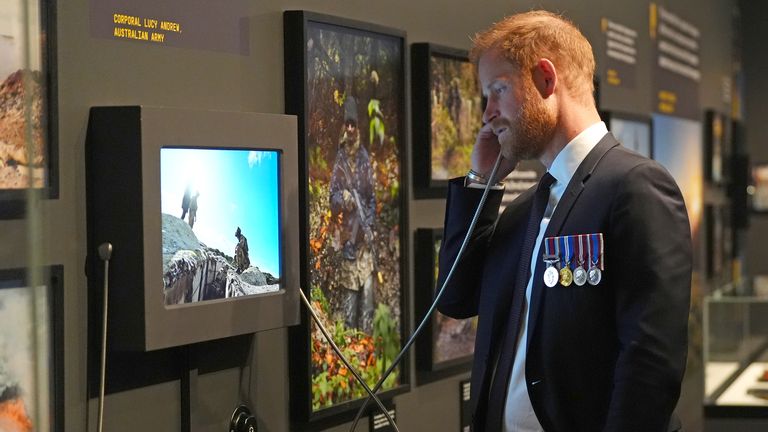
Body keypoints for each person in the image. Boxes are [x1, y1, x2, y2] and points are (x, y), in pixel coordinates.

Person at [436, 11, 691, 432]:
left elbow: (649, 360)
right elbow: (456, 299)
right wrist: (481, 182)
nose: (488, 114)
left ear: (545, 80)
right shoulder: (524, 213)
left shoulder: (634, 186)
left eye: (498, 90)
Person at [329, 96, 377, 334]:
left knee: (368, 304)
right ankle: (350, 350)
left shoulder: (364, 159)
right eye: (346, 124)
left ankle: (367, 349)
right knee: (349, 309)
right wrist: (344, 199)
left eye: (353, 125)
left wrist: (369, 226)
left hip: (364, 247)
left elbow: (371, 197)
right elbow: (332, 199)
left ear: (358, 128)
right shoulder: (339, 162)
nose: (349, 129)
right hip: (348, 241)